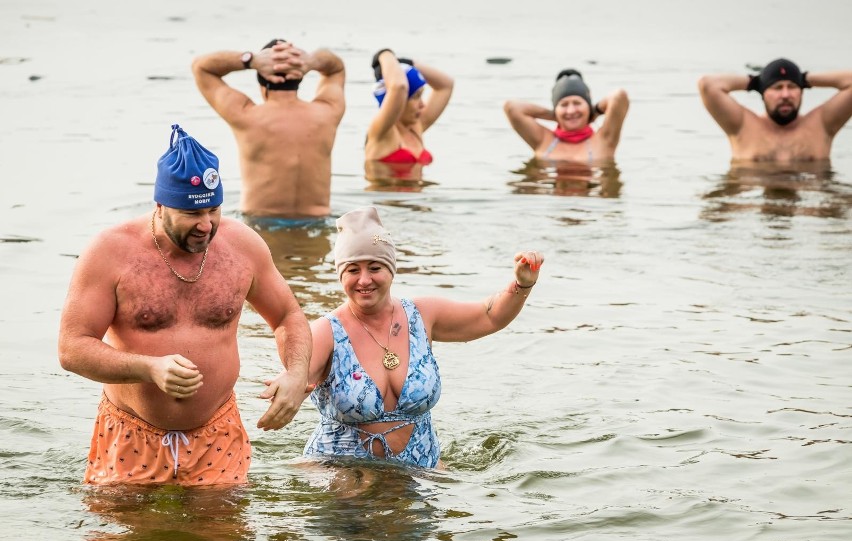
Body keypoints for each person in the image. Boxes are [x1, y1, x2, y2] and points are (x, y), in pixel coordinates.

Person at [57, 124, 312, 485]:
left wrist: (296, 374)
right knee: (127, 538)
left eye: (214, 210)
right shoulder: (109, 252)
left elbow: (288, 315)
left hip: (217, 432)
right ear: (160, 206)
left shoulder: (243, 247)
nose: (206, 226)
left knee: (218, 537)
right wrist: (148, 368)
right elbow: (72, 348)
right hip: (131, 430)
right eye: (192, 214)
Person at [297, 206, 543, 469]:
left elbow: (489, 315)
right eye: (353, 270)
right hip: (341, 475)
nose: (364, 279)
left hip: (421, 471)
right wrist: (288, 387)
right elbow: (297, 376)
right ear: (340, 275)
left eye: (375, 267)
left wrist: (522, 284)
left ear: (391, 270)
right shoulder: (325, 331)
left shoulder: (422, 315)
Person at [192, 39, 345, 219]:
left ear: (261, 79)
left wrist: (249, 60)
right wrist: (311, 61)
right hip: (316, 223)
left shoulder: (245, 115)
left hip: (261, 225)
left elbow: (200, 67)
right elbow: (336, 67)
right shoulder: (327, 113)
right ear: (300, 75)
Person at [698, 58, 852, 162]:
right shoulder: (742, 126)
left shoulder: (822, 125)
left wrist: (804, 78)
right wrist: (754, 82)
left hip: (808, 205)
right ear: (762, 92)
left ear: (802, 90)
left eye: (792, 87)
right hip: (754, 204)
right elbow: (708, 85)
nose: (785, 95)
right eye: (777, 87)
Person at [364, 49, 454, 188]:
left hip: (415, 206)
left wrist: (409, 63)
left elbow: (446, 85)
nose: (422, 104)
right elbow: (399, 87)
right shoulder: (382, 132)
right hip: (387, 206)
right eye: (416, 97)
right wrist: (384, 54)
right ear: (399, 100)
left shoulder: (416, 127)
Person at [503, 69, 629, 163]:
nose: (571, 110)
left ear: (588, 106)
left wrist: (594, 112)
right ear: (556, 109)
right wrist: (556, 116)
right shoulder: (542, 140)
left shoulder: (604, 141)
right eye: (563, 105)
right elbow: (512, 107)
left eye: (577, 103)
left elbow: (619, 97)